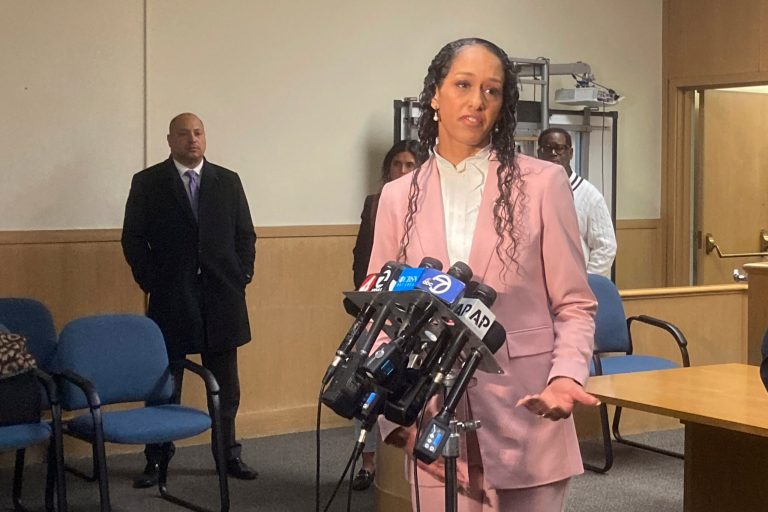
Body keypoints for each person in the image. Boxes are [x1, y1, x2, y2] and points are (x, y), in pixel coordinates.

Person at [367, 38, 599, 511]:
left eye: (492, 90)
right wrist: (390, 412)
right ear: (435, 93)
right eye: (463, 85)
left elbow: (575, 303)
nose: (477, 101)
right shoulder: (397, 196)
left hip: (527, 411)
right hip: (428, 415)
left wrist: (566, 377)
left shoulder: (543, 184)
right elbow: (379, 309)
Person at [121, 113, 258, 488]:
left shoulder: (227, 181)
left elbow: (245, 235)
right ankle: (157, 459)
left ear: (205, 138)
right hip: (171, 299)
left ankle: (228, 454)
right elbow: (133, 239)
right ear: (170, 140)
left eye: (198, 133)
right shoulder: (148, 183)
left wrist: (241, 276)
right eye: (183, 134)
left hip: (222, 299)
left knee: (227, 389)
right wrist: (152, 281)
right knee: (165, 386)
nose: (192, 140)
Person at [349, 139, 423, 491]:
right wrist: (366, 297)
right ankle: (367, 463)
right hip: (377, 308)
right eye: (398, 164)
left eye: (411, 165)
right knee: (368, 383)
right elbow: (363, 253)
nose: (403, 171)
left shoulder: (428, 204)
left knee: (407, 388)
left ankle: (407, 466)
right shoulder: (375, 202)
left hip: (418, 311)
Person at [537, 127, 617, 277]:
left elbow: (606, 246)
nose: (553, 153)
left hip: (575, 285)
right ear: (539, 153)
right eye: (548, 148)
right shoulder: (529, 191)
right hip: (538, 284)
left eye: (560, 148)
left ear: (571, 153)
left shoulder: (589, 195)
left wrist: (588, 281)